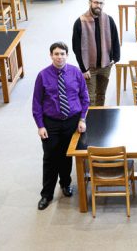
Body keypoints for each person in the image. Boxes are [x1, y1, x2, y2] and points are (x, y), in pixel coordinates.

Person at [32, 42, 90, 210]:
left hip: (72, 121)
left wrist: (82, 119)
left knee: (67, 156)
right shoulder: (42, 76)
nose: (59, 57)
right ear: (51, 55)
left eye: (62, 53)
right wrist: (40, 125)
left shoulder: (76, 72)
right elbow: (36, 103)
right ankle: (46, 195)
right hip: (51, 123)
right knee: (50, 158)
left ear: (67, 55)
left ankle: (65, 184)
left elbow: (84, 98)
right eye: (56, 54)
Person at [72, 0, 120, 106]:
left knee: (101, 94)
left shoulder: (109, 20)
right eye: (96, 2)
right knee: (90, 97)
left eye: (101, 3)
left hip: (105, 65)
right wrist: (83, 69)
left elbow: (115, 40)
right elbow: (76, 47)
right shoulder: (80, 22)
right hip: (90, 68)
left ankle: (100, 119)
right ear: (90, 2)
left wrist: (116, 58)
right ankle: (91, 121)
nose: (98, 5)